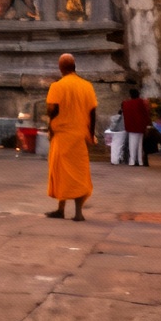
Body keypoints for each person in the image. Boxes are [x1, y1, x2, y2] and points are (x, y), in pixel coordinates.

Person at [45, 53, 97, 220]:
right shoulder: (87, 86)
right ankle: (78, 212)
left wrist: (49, 129)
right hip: (80, 136)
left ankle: (61, 209)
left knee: (62, 173)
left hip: (62, 136)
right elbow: (93, 112)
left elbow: (53, 111)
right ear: (75, 67)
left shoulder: (57, 86)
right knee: (79, 175)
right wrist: (91, 133)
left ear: (61, 68)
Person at [121, 87, 152, 167]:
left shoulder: (126, 103)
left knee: (132, 144)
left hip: (131, 126)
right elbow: (146, 113)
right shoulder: (141, 102)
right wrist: (147, 124)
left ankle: (132, 161)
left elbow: (124, 111)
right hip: (141, 126)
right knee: (139, 144)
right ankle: (140, 161)